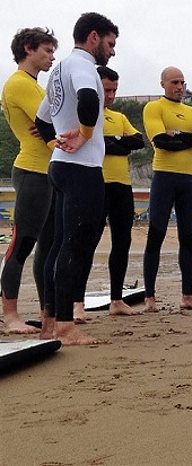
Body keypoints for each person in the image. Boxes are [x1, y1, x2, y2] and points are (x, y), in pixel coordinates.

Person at [34, 12, 119, 345]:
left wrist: (56, 141)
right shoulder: (83, 64)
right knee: (75, 245)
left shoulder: (58, 70)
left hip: (60, 166)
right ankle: (67, 327)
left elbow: (42, 121)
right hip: (81, 168)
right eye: (110, 44)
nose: (112, 52)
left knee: (57, 245)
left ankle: (49, 321)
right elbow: (89, 98)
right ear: (94, 37)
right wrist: (83, 135)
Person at [72, 66, 145, 321]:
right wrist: (114, 143)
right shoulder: (84, 116)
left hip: (122, 185)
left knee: (122, 241)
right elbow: (89, 141)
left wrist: (108, 142)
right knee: (87, 242)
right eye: (106, 90)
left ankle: (116, 299)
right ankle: (77, 303)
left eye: (114, 90)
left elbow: (138, 142)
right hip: (94, 182)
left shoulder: (119, 117)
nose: (111, 95)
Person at [0, 27, 58, 334]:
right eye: (47, 50)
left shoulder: (37, 87)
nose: (51, 57)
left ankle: (47, 314)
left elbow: (53, 121)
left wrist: (52, 122)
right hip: (31, 170)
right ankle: (10, 316)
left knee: (47, 248)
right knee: (22, 243)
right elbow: (56, 120)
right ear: (27, 48)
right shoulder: (20, 84)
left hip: (48, 171)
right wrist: (53, 122)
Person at [142, 66, 192, 312]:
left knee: (188, 237)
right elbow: (162, 142)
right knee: (156, 234)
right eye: (174, 82)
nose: (180, 87)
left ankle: (187, 296)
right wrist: (187, 138)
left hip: (187, 180)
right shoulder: (154, 108)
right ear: (163, 84)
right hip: (164, 177)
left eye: (183, 82)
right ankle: (150, 297)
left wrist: (179, 134)